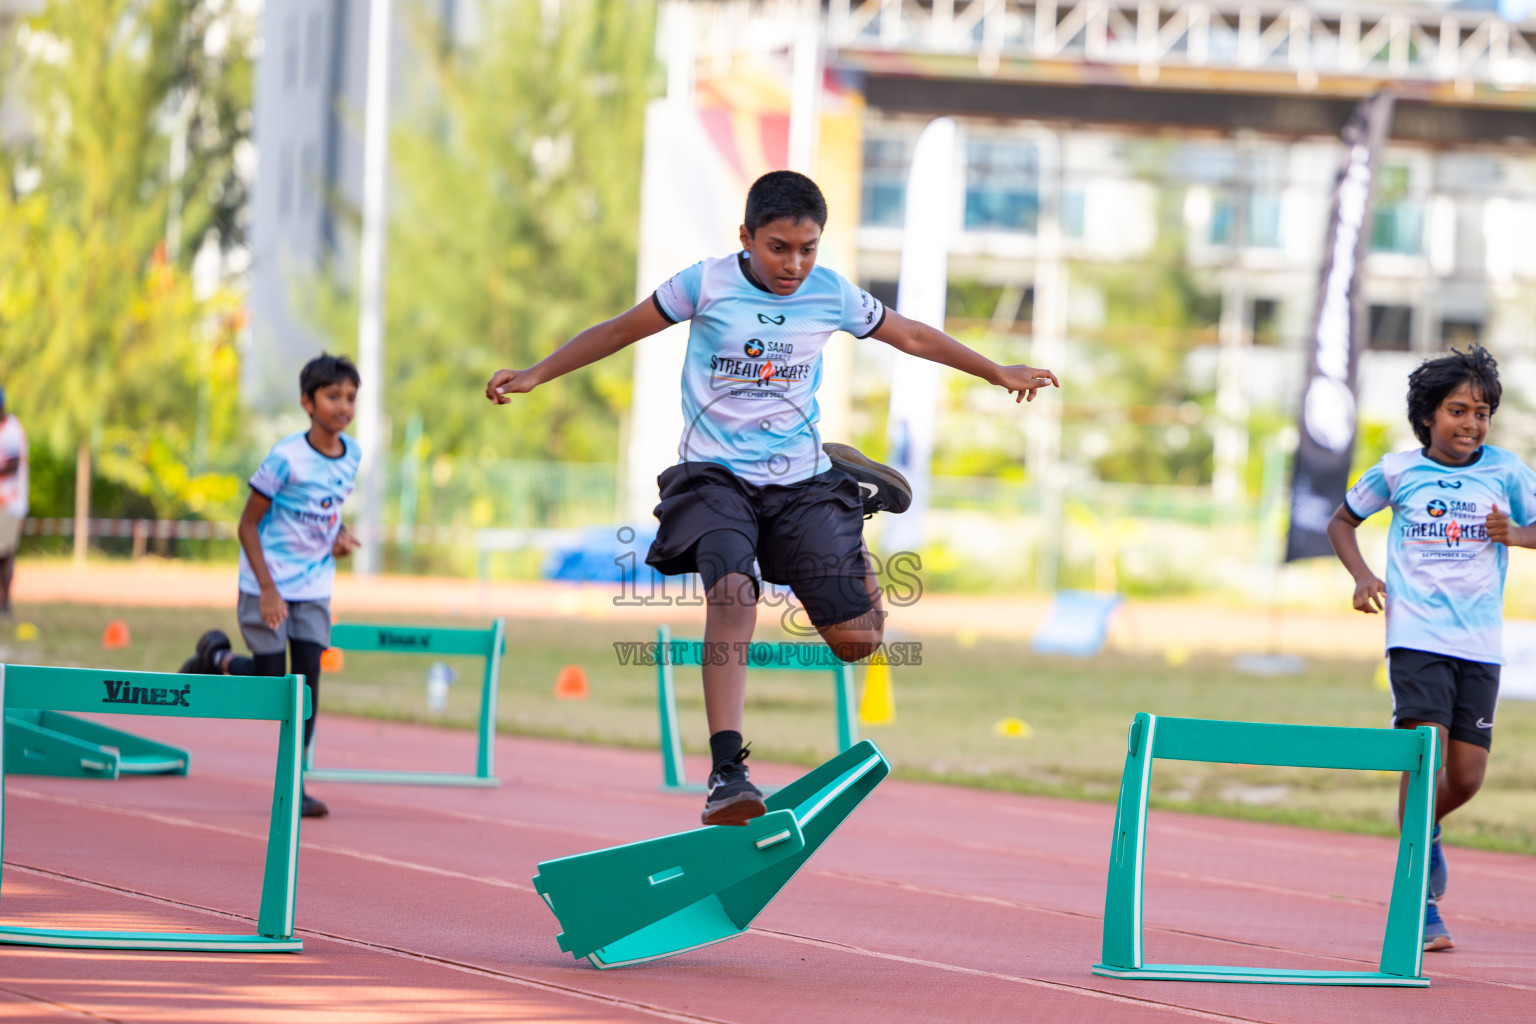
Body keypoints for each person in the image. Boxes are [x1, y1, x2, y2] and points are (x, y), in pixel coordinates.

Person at [486, 170, 1058, 826]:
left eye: (807, 248)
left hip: (798, 481)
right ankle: (727, 772)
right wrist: (536, 373)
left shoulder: (831, 294)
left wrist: (995, 370)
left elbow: (914, 336)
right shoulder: (703, 283)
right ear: (747, 238)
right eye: (778, 248)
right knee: (734, 594)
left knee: (859, 643)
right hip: (714, 477)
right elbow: (619, 331)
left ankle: (847, 500)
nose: (793, 264)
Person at [1326, 345, 1534, 953]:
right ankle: (1416, 899)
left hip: (1481, 643)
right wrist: (1362, 576)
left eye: (1482, 413)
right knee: (1426, 756)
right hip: (1416, 637)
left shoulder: (1507, 471)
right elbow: (1342, 521)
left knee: (1466, 777)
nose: (1471, 424)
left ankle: (1428, 830)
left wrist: (1518, 535)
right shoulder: (1397, 471)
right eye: (1457, 411)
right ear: (1427, 415)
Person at [180, 354, 362, 819]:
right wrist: (266, 588)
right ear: (307, 402)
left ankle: (294, 784)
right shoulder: (285, 458)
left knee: (306, 686)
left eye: (350, 397)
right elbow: (247, 525)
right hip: (268, 581)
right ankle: (216, 659)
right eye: (333, 396)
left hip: (314, 585)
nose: (343, 406)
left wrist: (339, 538)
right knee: (269, 684)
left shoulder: (353, 455)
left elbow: (327, 512)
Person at [0, 388, 27, 618]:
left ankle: (5, 603)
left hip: (9, 502)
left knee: (4, 553)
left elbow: (13, 465)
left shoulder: (11, 429)